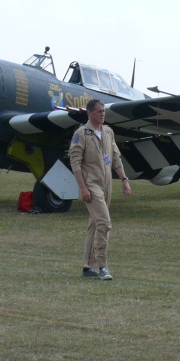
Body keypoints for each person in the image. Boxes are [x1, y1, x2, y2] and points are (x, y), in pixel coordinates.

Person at [68, 98, 131, 281]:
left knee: (95, 224)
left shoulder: (108, 132)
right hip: (91, 184)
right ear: (89, 113)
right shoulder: (81, 134)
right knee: (104, 223)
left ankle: (88, 267)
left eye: (104, 111)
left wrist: (124, 180)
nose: (102, 114)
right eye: (99, 112)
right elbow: (75, 162)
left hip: (107, 184)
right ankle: (102, 266)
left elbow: (116, 158)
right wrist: (83, 188)